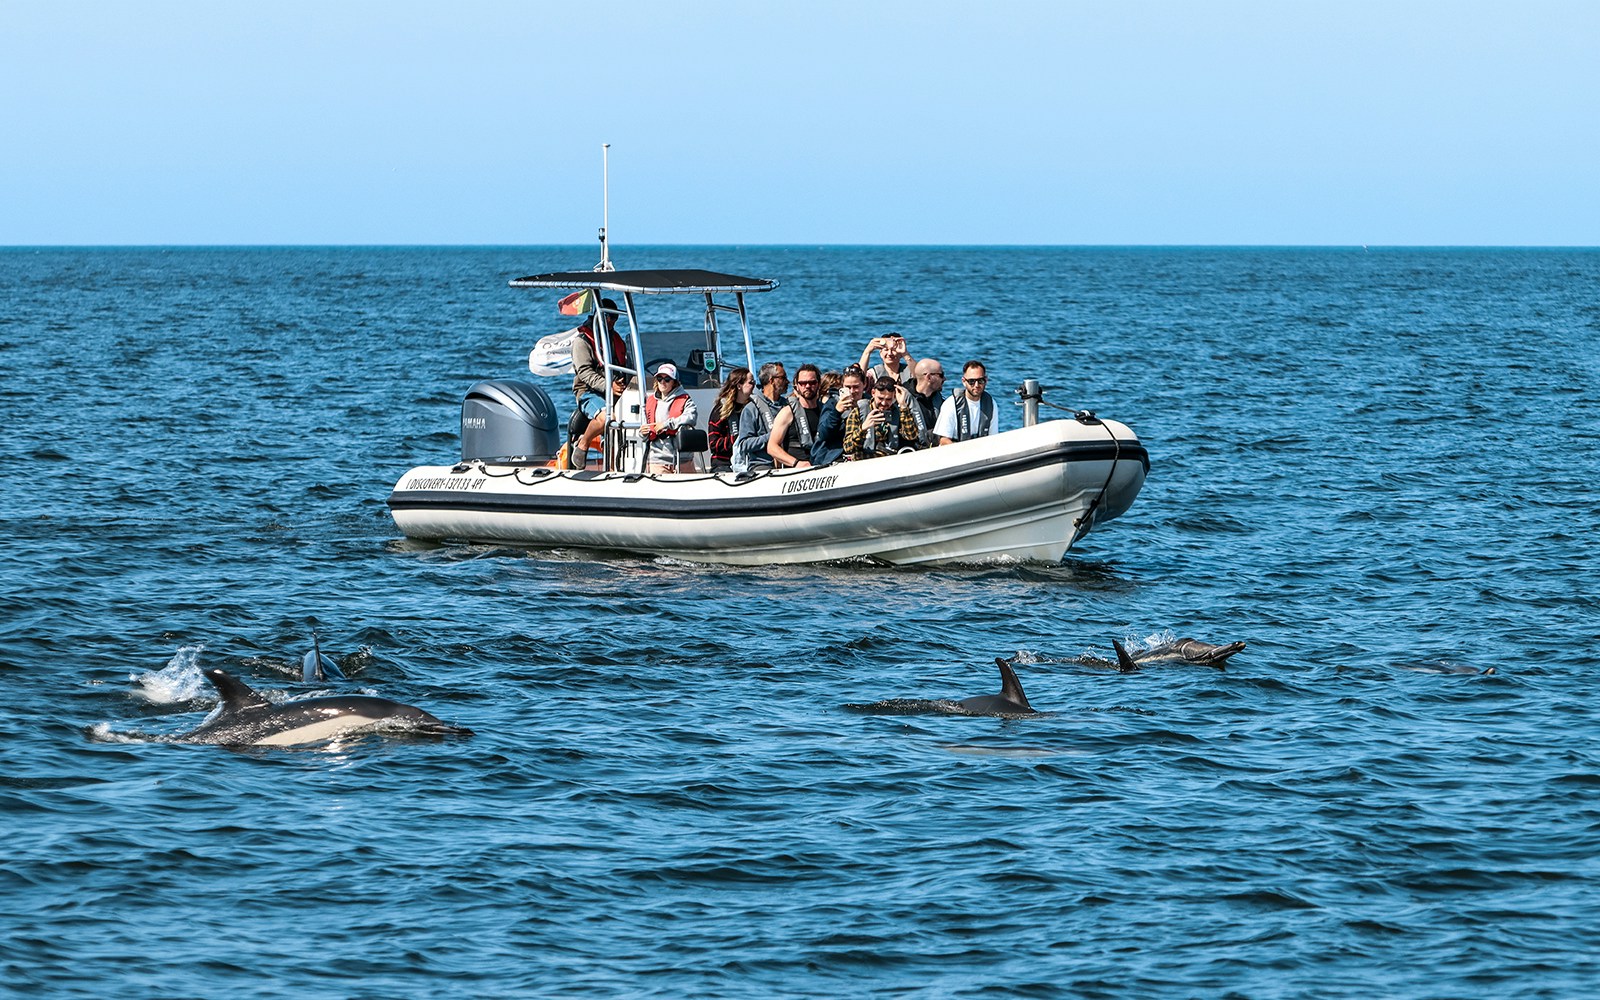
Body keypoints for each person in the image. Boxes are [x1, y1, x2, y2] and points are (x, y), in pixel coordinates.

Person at [567, 297, 631, 466]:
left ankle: (617, 462)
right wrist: (608, 386)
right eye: (608, 316)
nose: (611, 321)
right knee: (607, 418)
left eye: (615, 317)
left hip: (616, 390)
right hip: (589, 392)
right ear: (598, 315)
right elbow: (585, 373)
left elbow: (626, 366)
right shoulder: (582, 341)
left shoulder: (616, 340)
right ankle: (583, 444)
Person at [843, 375, 921, 461]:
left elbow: (911, 436)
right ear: (873, 393)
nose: (884, 403)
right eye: (880, 398)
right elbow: (848, 448)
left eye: (888, 399)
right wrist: (863, 428)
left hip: (890, 459)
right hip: (864, 460)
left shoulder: (898, 411)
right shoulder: (858, 412)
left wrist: (903, 406)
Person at [642, 363, 698, 474]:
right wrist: (643, 433)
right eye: (659, 378)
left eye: (667, 379)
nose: (662, 382)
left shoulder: (686, 400)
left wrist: (666, 424)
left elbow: (691, 417)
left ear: (675, 382)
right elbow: (645, 427)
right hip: (657, 460)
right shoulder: (650, 401)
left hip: (682, 459)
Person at [767, 363, 824, 470]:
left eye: (812, 382)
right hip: (797, 471)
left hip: (822, 466)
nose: (807, 386)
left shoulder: (825, 411)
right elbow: (772, 447)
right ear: (796, 386)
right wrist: (796, 463)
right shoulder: (787, 412)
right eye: (803, 383)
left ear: (818, 384)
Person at [733, 362, 788, 472]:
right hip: (763, 465)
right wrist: (772, 437)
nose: (787, 381)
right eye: (783, 378)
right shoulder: (751, 409)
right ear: (771, 380)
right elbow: (744, 445)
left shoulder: (788, 406)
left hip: (788, 462)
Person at [812, 365, 867, 465]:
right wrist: (837, 412)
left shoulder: (869, 402)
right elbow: (823, 434)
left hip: (862, 453)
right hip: (834, 455)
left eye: (856, 387)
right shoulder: (833, 403)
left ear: (864, 384)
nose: (852, 391)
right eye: (848, 387)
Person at [934, 360, 999, 445]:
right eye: (971, 381)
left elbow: (993, 438)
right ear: (964, 381)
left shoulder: (991, 404)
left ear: (986, 380)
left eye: (980, 381)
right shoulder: (951, 404)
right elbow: (943, 441)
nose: (976, 385)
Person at [706, 366, 753, 471]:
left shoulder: (753, 407)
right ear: (739, 385)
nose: (754, 386)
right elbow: (714, 445)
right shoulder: (720, 411)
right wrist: (737, 440)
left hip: (749, 461)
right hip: (724, 463)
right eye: (751, 383)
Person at [907, 358, 946, 447]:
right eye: (941, 375)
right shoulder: (903, 399)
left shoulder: (941, 401)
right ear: (928, 377)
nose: (944, 378)